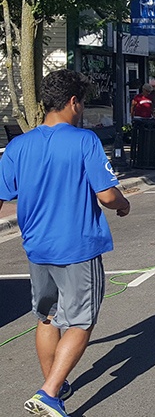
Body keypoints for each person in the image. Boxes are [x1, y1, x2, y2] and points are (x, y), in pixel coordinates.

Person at [0, 70, 130, 417]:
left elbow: (3, 195)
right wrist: (123, 203)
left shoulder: (18, 145)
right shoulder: (83, 141)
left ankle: (54, 384)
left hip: (36, 246)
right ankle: (50, 391)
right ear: (73, 102)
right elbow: (106, 194)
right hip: (77, 246)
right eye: (82, 103)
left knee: (47, 317)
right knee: (80, 321)